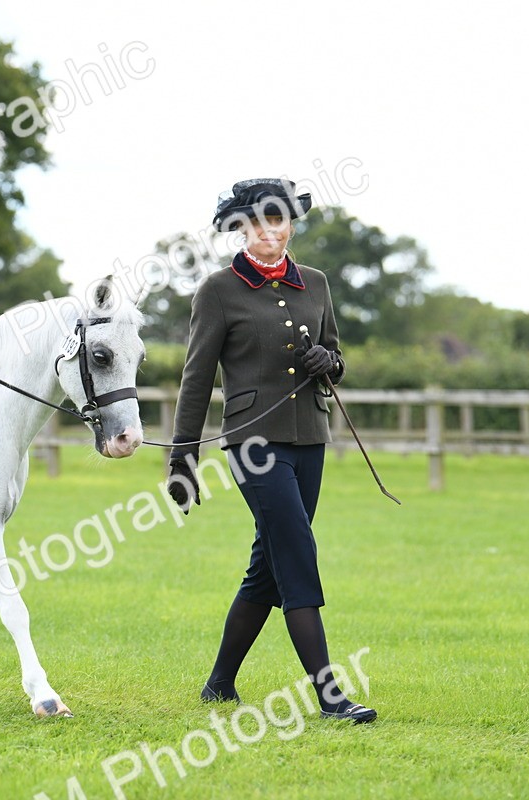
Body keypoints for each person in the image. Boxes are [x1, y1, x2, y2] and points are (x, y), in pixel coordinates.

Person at [168, 178, 377, 723]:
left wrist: (330, 365)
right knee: (296, 553)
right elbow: (196, 380)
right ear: (241, 227)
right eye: (257, 222)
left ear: (291, 224)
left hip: (311, 437)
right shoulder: (217, 290)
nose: (268, 232)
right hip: (253, 445)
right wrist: (182, 458)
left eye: (278, 220)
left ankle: (218, 684)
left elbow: (335, 353)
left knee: (268, 564)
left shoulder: (318, 283)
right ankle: (330, 695)